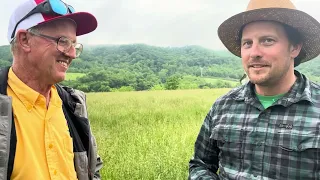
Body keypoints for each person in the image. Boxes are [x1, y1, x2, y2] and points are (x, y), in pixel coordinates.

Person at [189, 0, 320, 179]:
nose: (254, 52)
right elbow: (200, 165)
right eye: (247, 43)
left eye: (267, 40)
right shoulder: (223, 106)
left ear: (294, 47)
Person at [0, 0, 103, 179]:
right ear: (25, 40)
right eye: (63, 41)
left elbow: (92, 169)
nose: (71, 54)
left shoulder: (73, 105)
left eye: (74, 45)